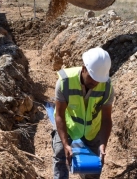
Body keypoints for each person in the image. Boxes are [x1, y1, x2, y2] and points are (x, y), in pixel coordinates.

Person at [52, 47, 114, 179]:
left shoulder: (107, 86)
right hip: (69, 125)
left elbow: (106, 119)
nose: (95, 83)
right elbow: (59, 115)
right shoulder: (64, 82)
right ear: (84, 68)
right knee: (60, 154)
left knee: (94, 166)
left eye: (99, 80)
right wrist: (66, 144)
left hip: (92, 129)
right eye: (92, 78)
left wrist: (103, 144)